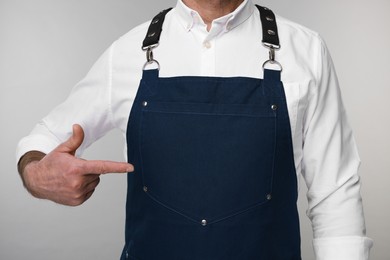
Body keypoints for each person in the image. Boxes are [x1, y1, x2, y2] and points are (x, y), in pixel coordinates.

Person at [16, 0, 373, 259]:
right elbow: (43, 140)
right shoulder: (127, 54)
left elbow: (335, 190)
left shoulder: (305, 51)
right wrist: (37, 174)